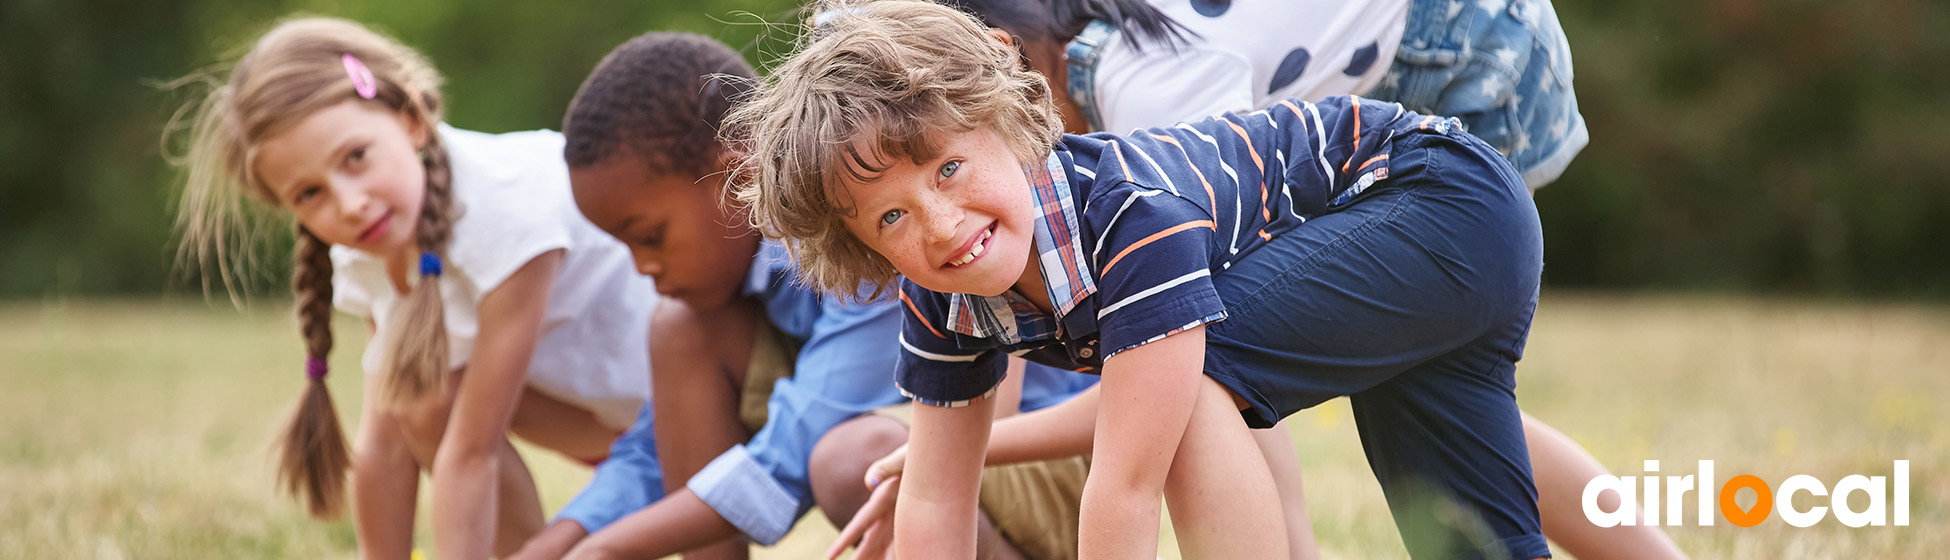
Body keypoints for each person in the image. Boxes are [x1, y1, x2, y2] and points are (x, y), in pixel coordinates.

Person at [731, 0, 1564, 557]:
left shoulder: (1132, 216)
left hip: (1437, 195)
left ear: (1013, 124)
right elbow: (933, 496)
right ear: (861, 249)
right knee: (1469, 535)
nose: (939, 227)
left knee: (1192, 381)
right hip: (1450, 231)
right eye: (889, 219)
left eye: (948, 168)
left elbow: (1127, 482)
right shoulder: (943, 296)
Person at [509, 32, 1101, 560]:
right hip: (933, 454)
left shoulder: (869, 233)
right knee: (679, 330)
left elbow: (795, 453)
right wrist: (559, 541)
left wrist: (610, 547)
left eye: (650, 236)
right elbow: (650, 451)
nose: (644, 268)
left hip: (1035, 455)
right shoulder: (726, 307)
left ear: (736, 177)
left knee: (849, 460)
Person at [169, 17, 657, 558]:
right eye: (310, 193)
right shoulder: (374, 244)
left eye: (356, 157)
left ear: (411, 121)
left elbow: (472, 454)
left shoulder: (507, 215)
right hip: (602, 425)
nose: (350, 204)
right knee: (421, 400)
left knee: (436, 404)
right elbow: (384, 448)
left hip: (681, 417)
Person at [939, 0, 1587, 189]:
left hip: (1480, 52)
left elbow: (1203, 294)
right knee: (1425, 381)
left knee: (1427, 376)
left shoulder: (1147, 89)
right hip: (1435, 44)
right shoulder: (1093, 32)